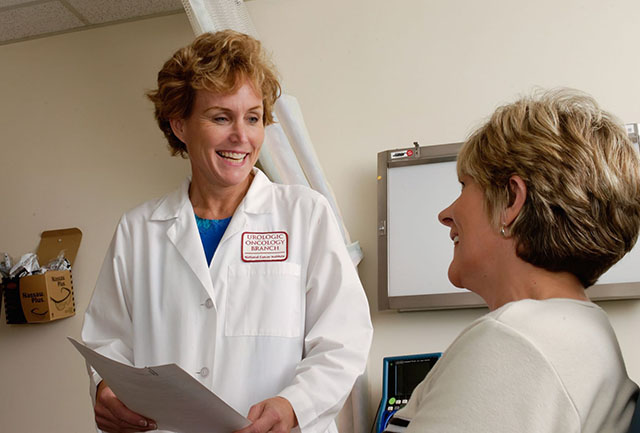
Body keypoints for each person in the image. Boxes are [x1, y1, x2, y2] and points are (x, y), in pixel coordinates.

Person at [81, 30, 373, 433]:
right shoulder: (138, 230)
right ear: (180, 124)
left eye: (253, 118)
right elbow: (106, 341)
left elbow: (344, 340)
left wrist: (294, 406)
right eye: (221, 117)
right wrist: (105, 391)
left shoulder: (305, 215)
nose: (242, 136)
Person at [384, 89, 640, 433]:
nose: (446, 214)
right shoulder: (582, 331)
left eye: (464, 186)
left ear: (511, 201)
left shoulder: (515, 343)